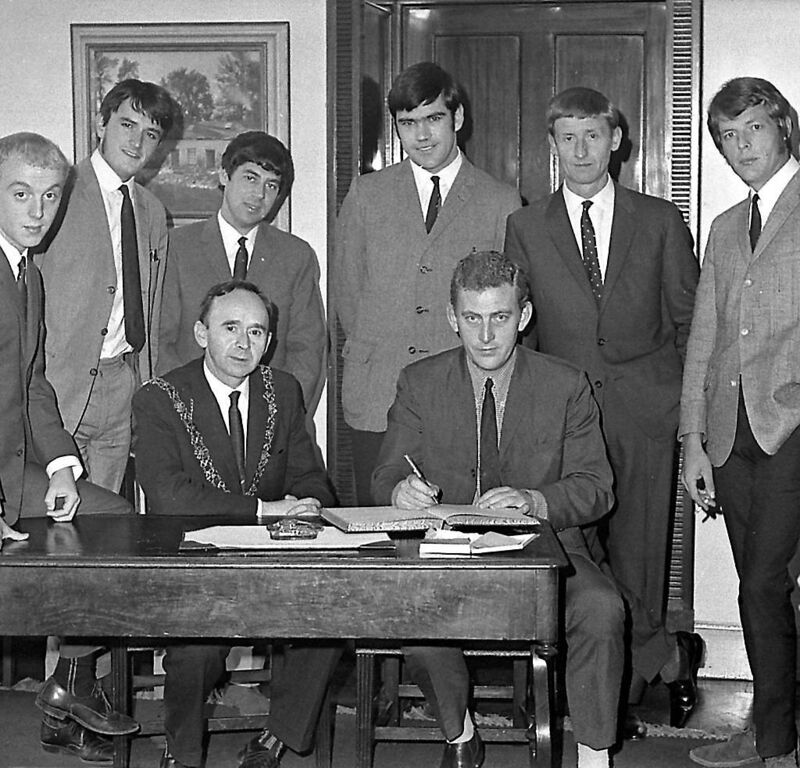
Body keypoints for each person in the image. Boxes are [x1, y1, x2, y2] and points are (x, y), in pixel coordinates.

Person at [372, 251, 625, 768]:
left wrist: (534, 500)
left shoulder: (566, 384)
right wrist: (400, 490)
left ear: (524, 317)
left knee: (602, 609)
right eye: (472, 318)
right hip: (446, 556)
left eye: (500, 318)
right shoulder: (419, 382)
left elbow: (597, 488)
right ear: (452, 318)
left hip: (547, 555)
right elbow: (382, 475)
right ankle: (459, 731)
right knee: (408, 610)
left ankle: (597, 753)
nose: (486, 335)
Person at [504, 86, 702, 734]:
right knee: (574, 551)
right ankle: (604, 673)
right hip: (563, 421)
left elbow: (688, 323)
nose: (581, 150)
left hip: (646, 415)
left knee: (643, 553)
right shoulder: (526, 226)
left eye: (592, 135)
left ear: (616, 139)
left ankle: (642, 675)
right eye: (568, 137)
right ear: (553, 145)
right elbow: (521, 333)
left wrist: (677, 409)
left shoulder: (660, 220)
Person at [133, 280, 340, 768]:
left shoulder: (282, 390)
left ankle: (277, 738)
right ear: (202, 333)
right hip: (195, 567)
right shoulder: (159, 397)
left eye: (256, 332)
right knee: (197, 653)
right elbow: (167, 498)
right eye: (230, 328)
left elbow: (310, 473)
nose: (244, 344)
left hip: (273, 561)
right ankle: (180, 754)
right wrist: (264, 510)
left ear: (268, 341)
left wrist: (310, 503)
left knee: (331, 620)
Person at [0, 132, 134, 765]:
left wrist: (58, 464)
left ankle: (70, 683)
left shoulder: (26, 273)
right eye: (20, 194)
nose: (37, 212)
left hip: (14, 471)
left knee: (112, 524)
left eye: (50, 197)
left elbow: (29, 385)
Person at [334, 61, 521, 503]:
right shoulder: (367, 194)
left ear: (457, 118)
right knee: (381, 531)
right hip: (377, 393)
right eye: (407, 123)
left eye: (433, 118)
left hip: (461, 396)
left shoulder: (500, 200)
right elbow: (348, 296)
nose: (421, 135)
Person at [680, 77, 800, 768]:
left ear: (782, 125)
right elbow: (705, 337)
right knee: (758, 584)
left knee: (762, 582)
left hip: (793, 432)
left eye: (752, 128)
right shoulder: (726, 227)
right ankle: (767, 728)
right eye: (726, 136)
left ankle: (774, 740)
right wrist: (693, 439)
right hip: (731, 434)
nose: (740, 146)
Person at [34, 78, 177, 494]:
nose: (137, 141)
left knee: (109, 518)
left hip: (122, 384)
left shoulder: (152, 212)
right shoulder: (59, 193)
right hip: (61, 386)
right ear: (102, 124)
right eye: (127, 125)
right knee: (55, 519)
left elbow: (150, 310)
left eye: (150, 133)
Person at [158, 131, 326, 414]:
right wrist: (190, 410)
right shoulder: (175, 248)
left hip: (270, 420)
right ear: (224, 176)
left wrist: (277, 417)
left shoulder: (296, 256)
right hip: (189, 413)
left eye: (271, 185)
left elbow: (308, 351)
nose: (259, 194)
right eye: (250, 178)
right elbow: (161, 343)